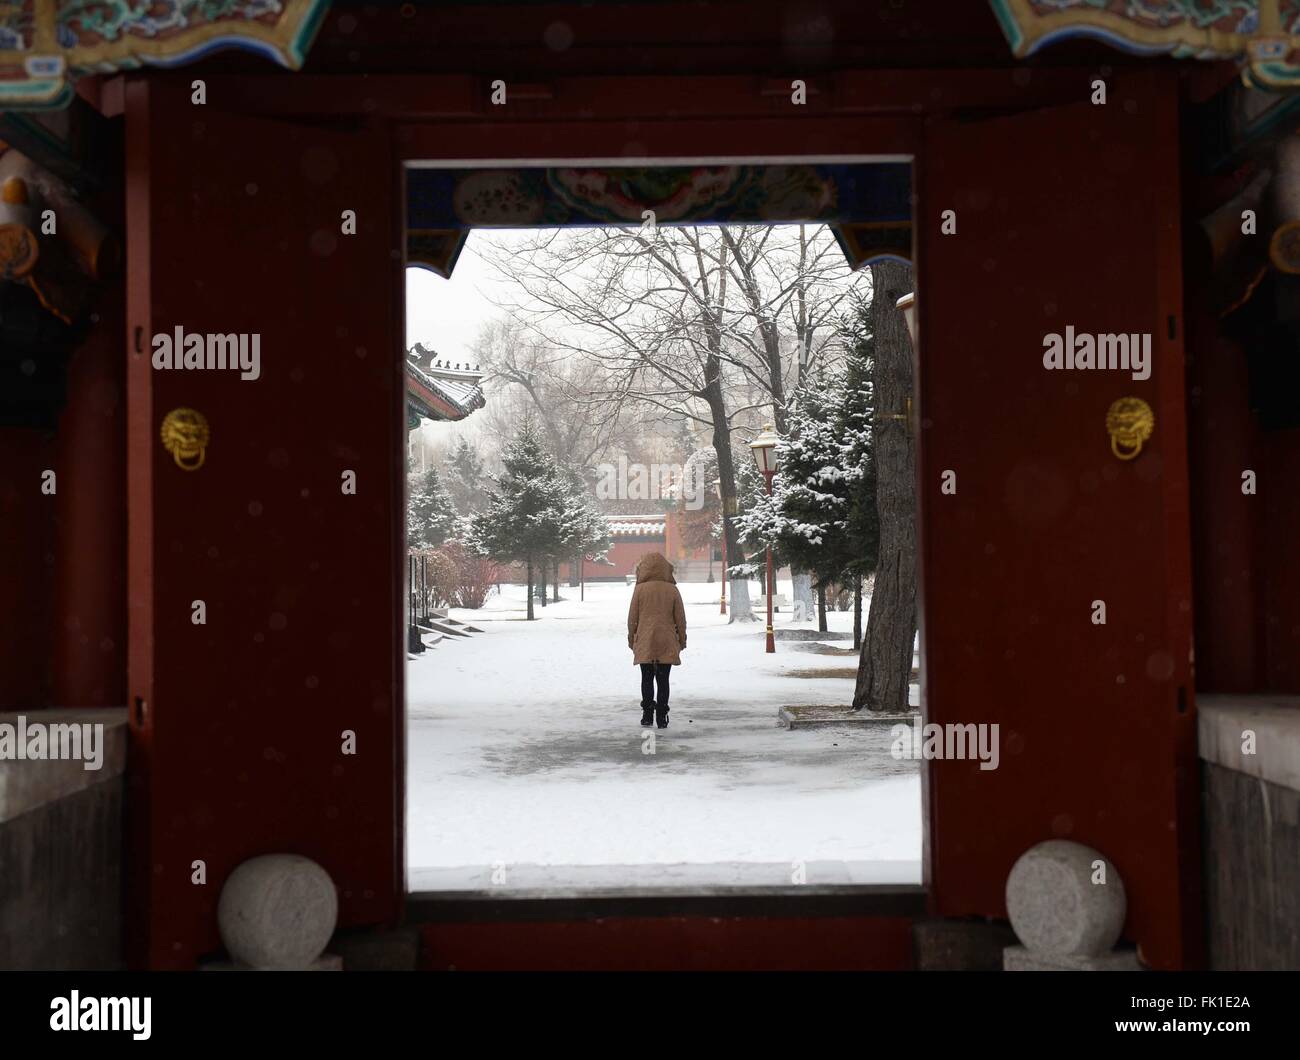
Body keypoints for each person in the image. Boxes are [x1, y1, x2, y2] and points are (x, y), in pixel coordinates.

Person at [627, 551, 687, 728]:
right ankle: (662, 716)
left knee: (646, 678)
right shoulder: (672, 590)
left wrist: (632, 639)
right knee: (663, 680)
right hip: (666, 641)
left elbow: (632, 618)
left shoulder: (639, 590)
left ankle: (647, 715)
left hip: (645, 640)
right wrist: (682, 640)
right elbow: (680, 619)